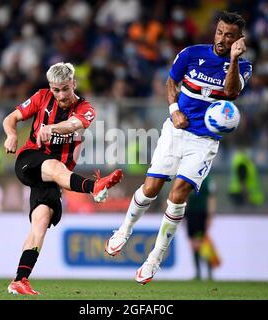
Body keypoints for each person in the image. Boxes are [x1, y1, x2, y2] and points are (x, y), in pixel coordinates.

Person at [105, 11, 252, 284]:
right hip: (176, 131)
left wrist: (233, 59)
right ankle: (124, 230)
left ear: (238, 40)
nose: (222, 38)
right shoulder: (190, 53)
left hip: (204, 141)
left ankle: (155, 258)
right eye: (220, 32)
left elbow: (231, 93)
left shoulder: (243, 67)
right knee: (151, 189)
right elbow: (171, 81)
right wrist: (173, 110)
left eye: (229, 35)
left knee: (178, 194)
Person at [3, 62, 123, 295]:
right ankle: (94, 186)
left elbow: (73, 125)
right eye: (55, 90)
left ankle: (19, 280)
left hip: (54, 178)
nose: (60, 95)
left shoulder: (86, 108)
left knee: (40, 224)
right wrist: (11, 135)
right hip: (29, 160)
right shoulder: (41, 97)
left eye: (65, 89)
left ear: (73, 84)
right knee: (56, 166)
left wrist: (52, 127)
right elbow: (11, 118)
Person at [185, 175, 216, 280]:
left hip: (201, 213)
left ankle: (208, 271)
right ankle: (198, 272)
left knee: (201, 242)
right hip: (190, 213)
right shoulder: (188, 174)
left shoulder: (206, 178)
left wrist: (210, 215)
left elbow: (211, 197)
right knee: (194, 243)